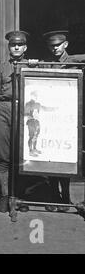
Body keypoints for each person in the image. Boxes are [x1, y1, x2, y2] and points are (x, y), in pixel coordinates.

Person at [0, 30, 37, 213]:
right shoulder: (1, 66)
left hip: (24, 112)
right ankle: (5, 196)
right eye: (12, 45)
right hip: (3, 111)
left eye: (19, 45)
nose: (16, 47)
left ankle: (20, 196)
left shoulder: (32, 66)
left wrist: (34, 68)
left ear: (25, 47)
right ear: (9, 47)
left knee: (21, 156)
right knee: (3, 156)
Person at [42, 30, 85, 212]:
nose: (55, 49)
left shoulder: (75, 63)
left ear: (65, 45)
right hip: (51, 117)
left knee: (66, 158)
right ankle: (54, 196)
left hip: (68, 116)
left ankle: (65, 197)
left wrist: (71, 60)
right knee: (52, 157)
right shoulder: (48, 65)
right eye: (52, 46)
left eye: (58, 45)